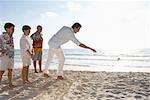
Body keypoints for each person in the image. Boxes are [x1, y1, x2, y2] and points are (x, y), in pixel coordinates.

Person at [0, 22, 15, 87]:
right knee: (1, 71)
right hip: (4, 57)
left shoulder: (12, 37)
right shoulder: (1, 36)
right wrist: (1, 50)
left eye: (13, 29)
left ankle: (10, 83)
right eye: (12, 28)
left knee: (10, 70)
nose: (13, 30)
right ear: (7, 29)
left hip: (11, 56)